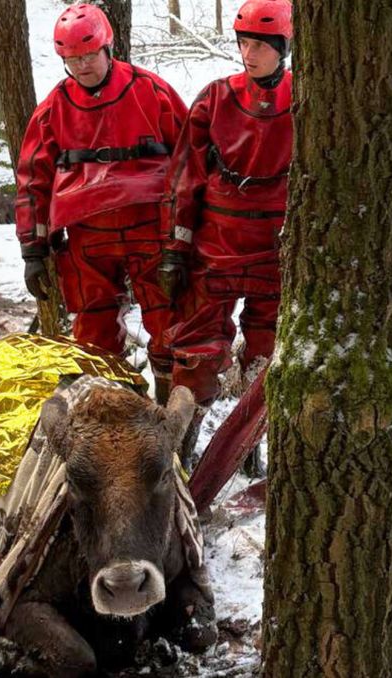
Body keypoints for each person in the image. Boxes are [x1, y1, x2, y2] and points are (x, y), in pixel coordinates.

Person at [15, 3, 187, 403]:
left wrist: (187, 236)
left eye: (89, 56)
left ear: (108, 47)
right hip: (86, 235)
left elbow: (189, 162)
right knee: (93, 334)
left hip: (150, 227)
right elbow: (32, 181)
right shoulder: (53, 109)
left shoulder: (152, 92)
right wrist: (33, 249)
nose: (82, 66)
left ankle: (169, 416)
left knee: (168, 324)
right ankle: (107, 413)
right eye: (72, 59)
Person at [159, 0, 293, 446]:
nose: (249, 53)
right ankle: (184, 444)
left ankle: (251, 440)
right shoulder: (216, 98)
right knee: (195, 352)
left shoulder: (308, 99)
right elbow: (184, 175)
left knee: (267, 356)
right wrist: (176, 249)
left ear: (283, 46)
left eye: (260, 44)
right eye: (244, 43)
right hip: (215, 248)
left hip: (275, 252)